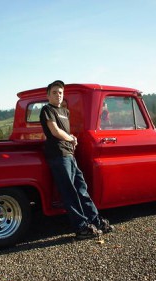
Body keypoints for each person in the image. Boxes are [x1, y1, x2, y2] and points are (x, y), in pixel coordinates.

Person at [39, 80, 114, 239]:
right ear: (48, 95)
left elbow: (65, 132)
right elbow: (55, 131)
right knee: (69, 192)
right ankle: (81, 228)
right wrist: (71, 139)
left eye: (60, 92)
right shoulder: (47, 110)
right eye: (54, 92)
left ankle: (96, 220)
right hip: (58, 155)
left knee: (81, 188)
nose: (58, 95)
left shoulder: (65, 112)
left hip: (69, 155)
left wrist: (72, 138)